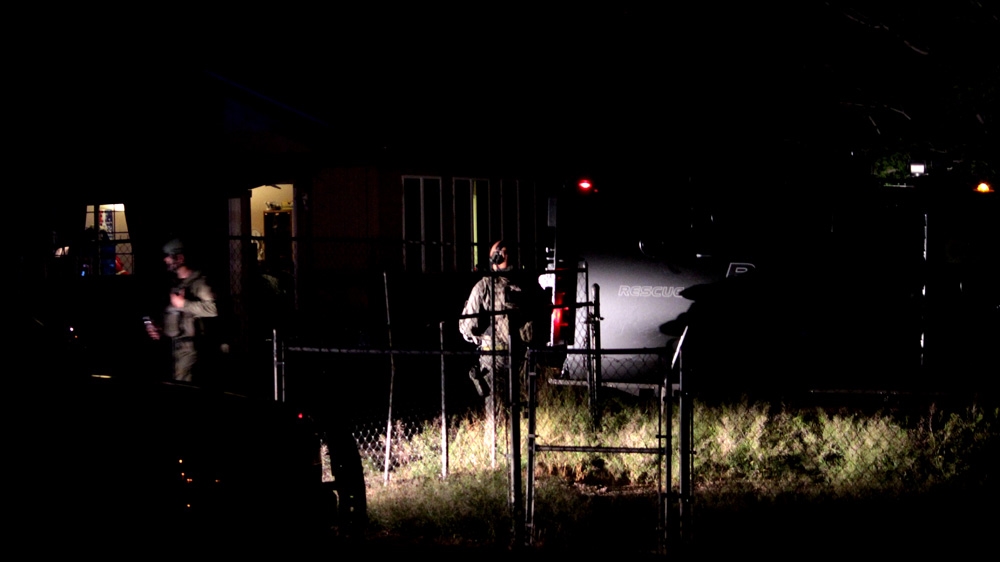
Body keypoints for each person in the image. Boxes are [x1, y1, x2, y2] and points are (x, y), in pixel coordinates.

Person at [459, 240, 541, 432]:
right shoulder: (523, 285)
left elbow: (466, 327)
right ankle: (508, 455)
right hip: (511, 359)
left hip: (502, 358)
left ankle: (502, 456)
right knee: (511, 415)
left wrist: (479, 337)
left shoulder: (486, 286)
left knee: (502, 415)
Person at [145, 238, 218, 383]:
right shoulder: (175, 284)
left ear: (179, 258)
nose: (165, 259)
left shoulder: (199, 283)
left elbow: (213, 309)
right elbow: (178, 317)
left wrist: (183, 303)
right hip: (174, 347)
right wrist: (160, 328)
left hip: (189, 350)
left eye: (168, 255)